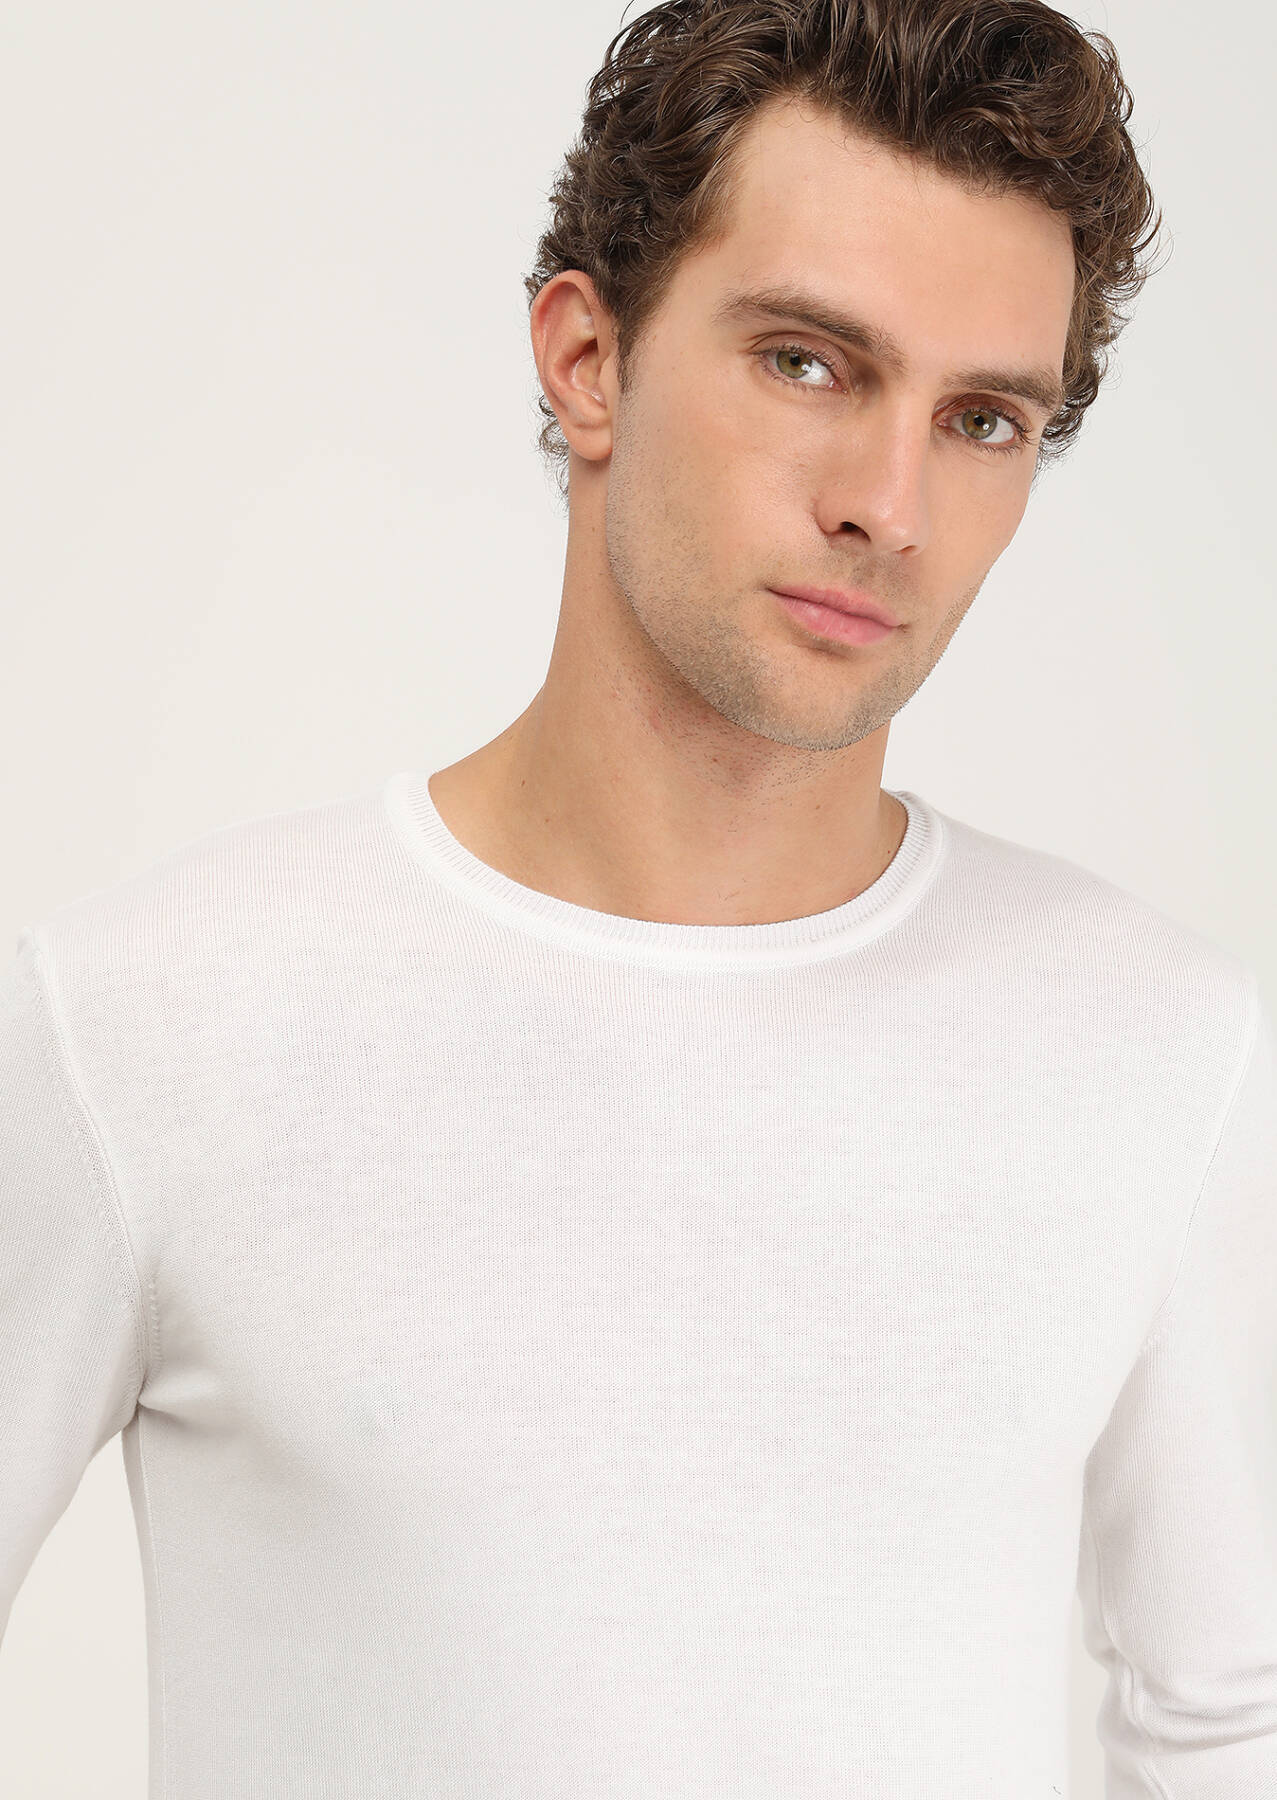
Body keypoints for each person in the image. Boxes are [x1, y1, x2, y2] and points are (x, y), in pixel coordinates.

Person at [3, 0, 1274, 1793]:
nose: (890, 506)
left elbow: (1229, 1719)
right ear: (587, 358)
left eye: (983, 418)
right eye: (808, 364)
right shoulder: (143, 1026)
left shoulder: (1159, 1055)